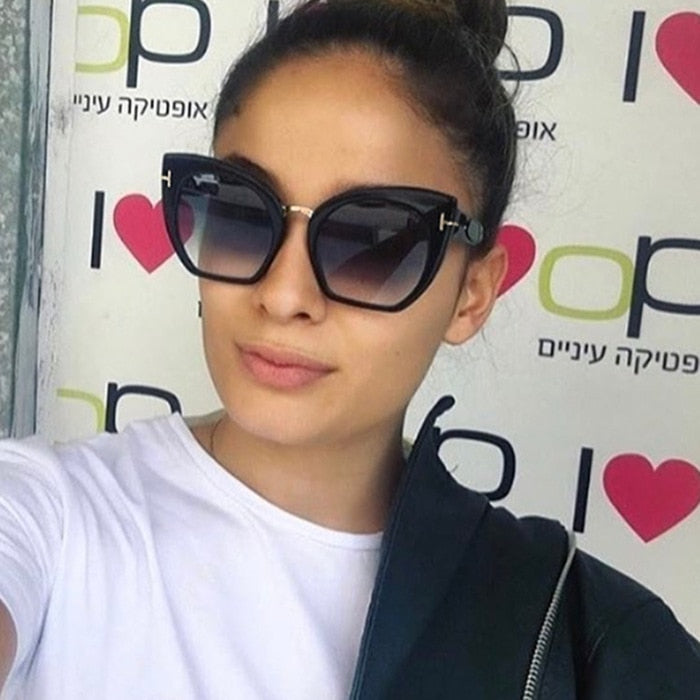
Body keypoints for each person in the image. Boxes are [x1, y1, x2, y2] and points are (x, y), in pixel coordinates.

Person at [1, 0, 699, 697]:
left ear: (472, 294)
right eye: (241, 213)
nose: (284, 295)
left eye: (374, 243)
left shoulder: (583, 635)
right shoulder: (47, 511)